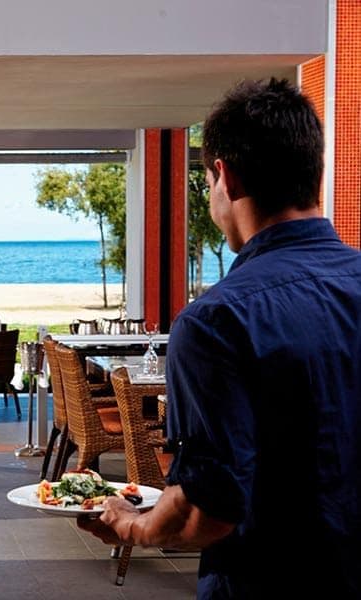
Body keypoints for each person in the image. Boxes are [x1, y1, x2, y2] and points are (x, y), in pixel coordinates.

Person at [78, 78, 361, 598]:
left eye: (207, 184)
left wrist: (132, 524)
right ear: (314, 173)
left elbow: (212, 507)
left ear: (224, 178)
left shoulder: (215, 322)